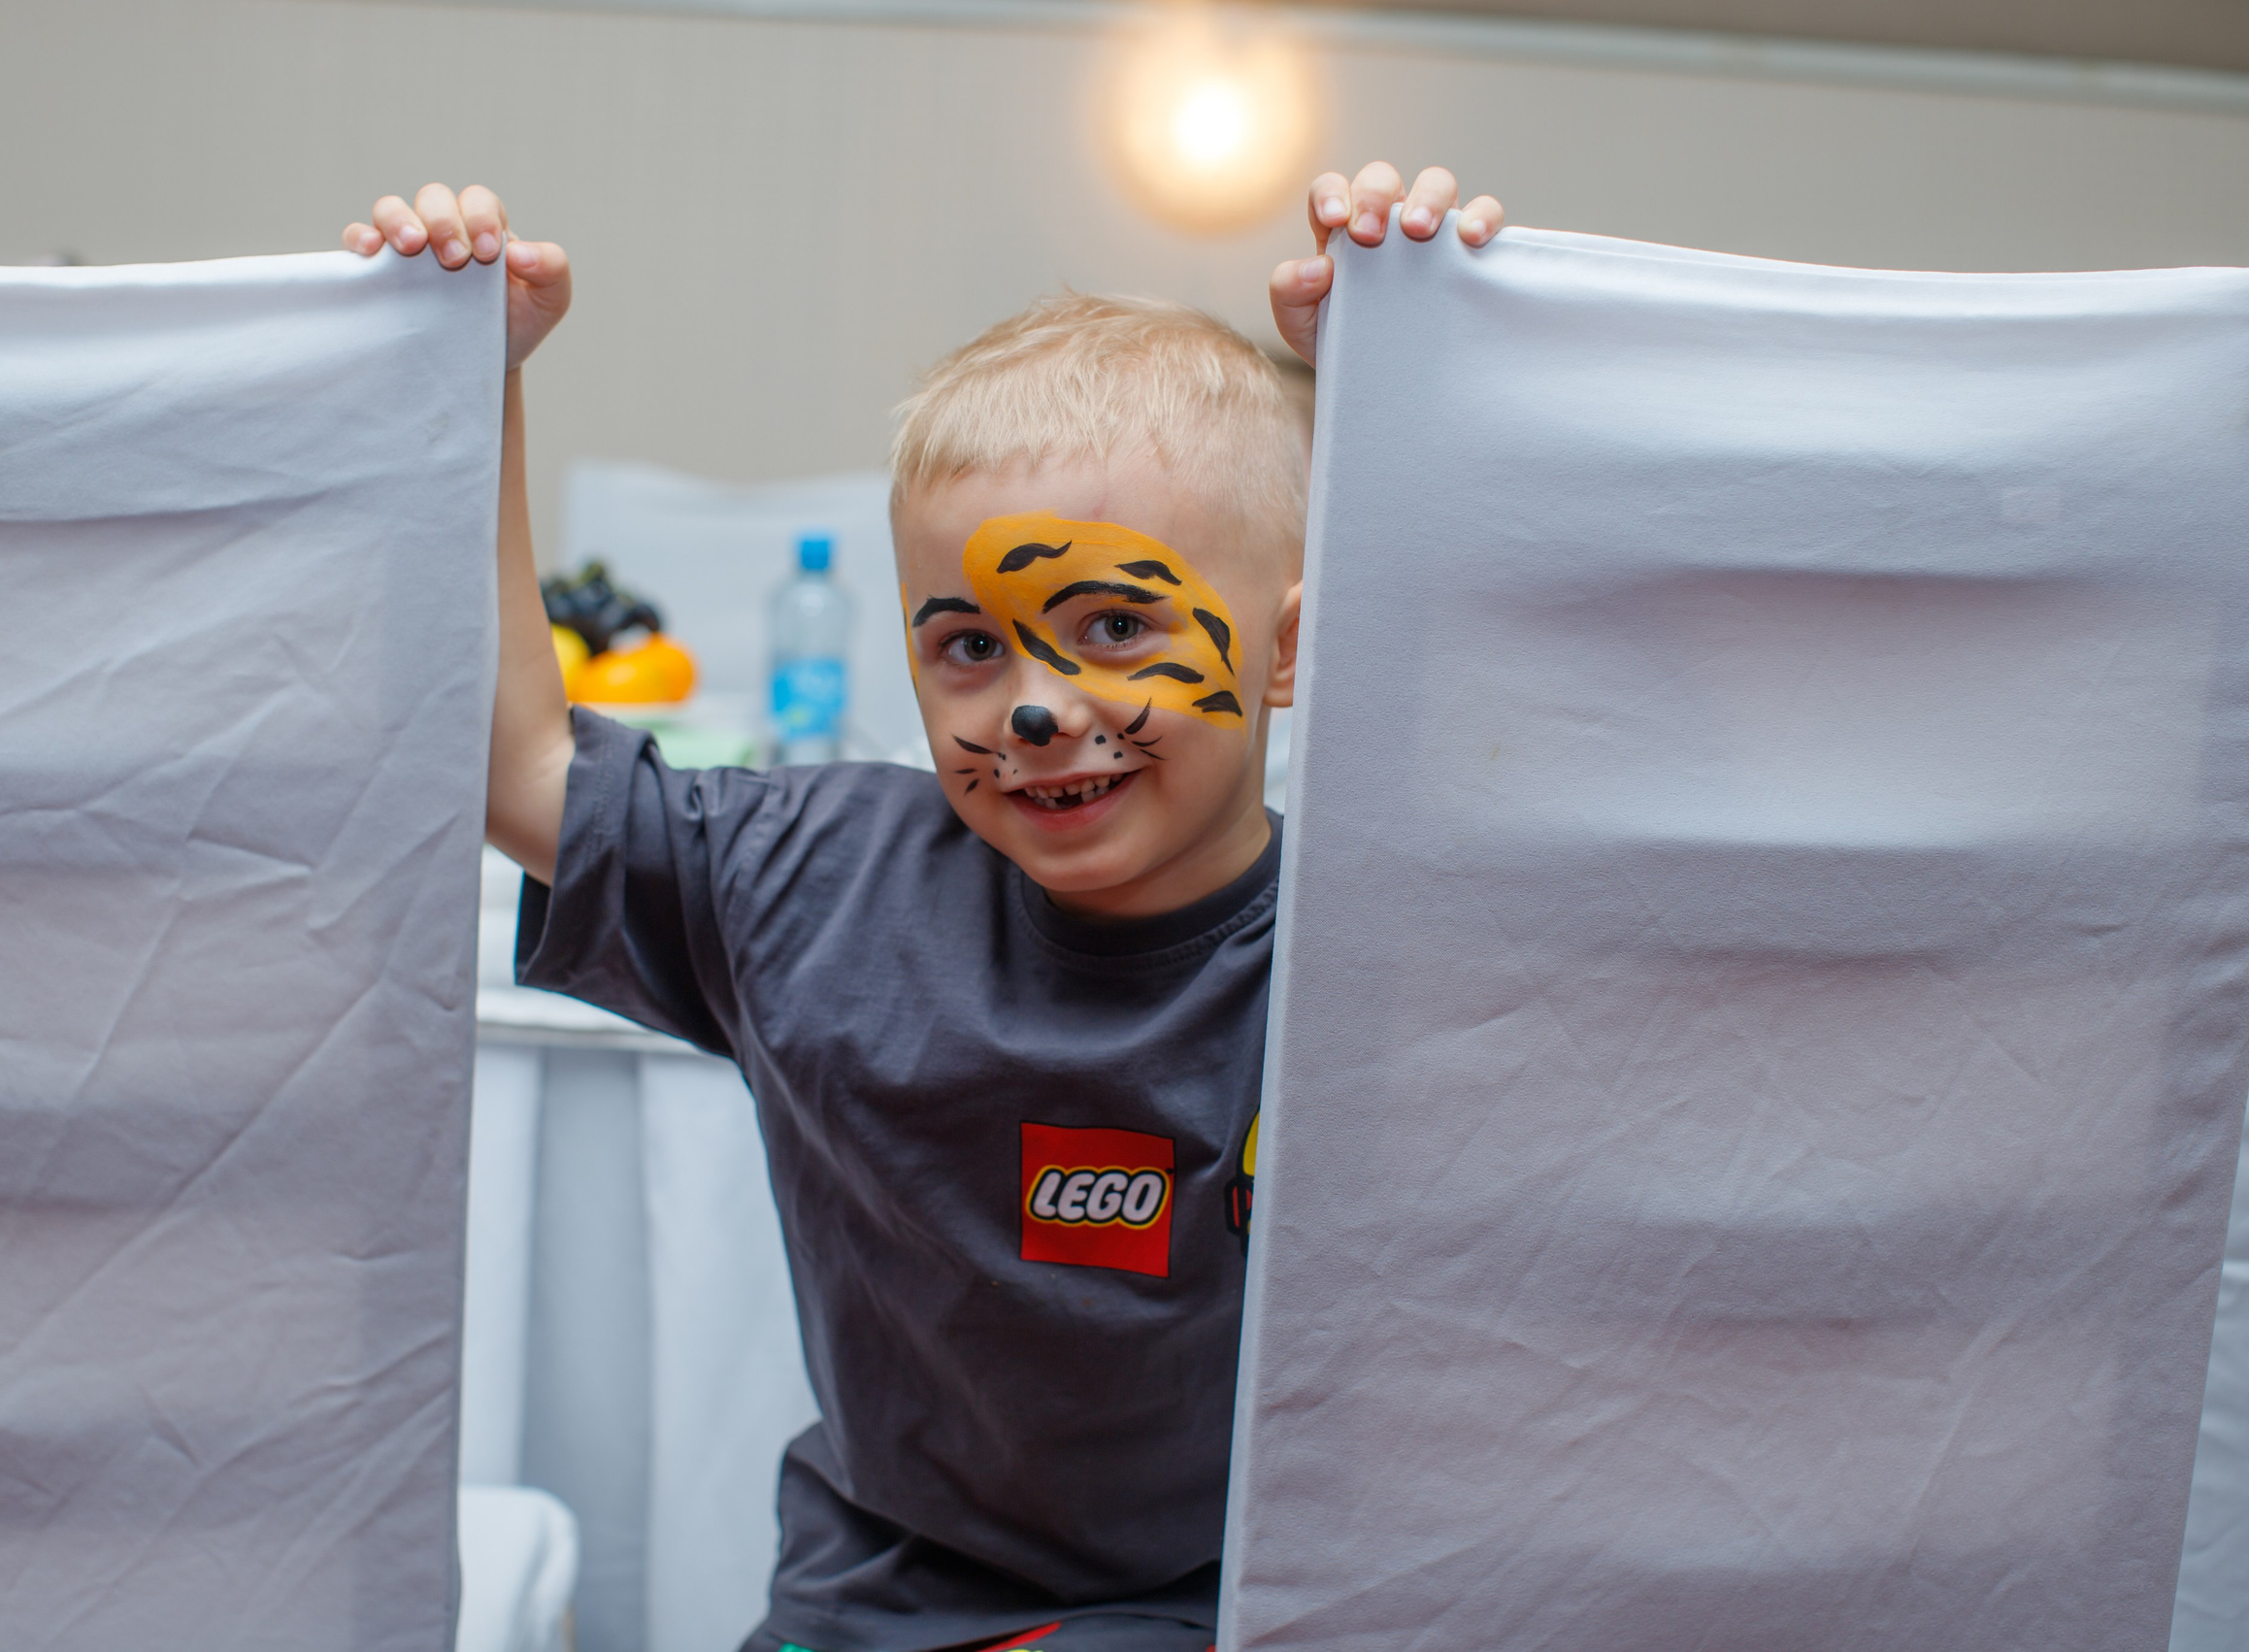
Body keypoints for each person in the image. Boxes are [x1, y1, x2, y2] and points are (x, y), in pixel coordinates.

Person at [345, 161, 1505, 1652]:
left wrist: (1430, 387)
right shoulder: (816, 881)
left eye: (1114, 626)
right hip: (880, 1613)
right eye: (968, 645)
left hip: (1248, 1612)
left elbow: (1608, 760)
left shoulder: (1395, 939)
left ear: (1288, 649)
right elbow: (515, 763)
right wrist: (464, 374)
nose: (1033, 710)